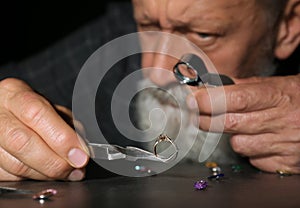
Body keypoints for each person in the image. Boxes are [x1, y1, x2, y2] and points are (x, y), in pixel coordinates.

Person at [0, 0, 299, 181]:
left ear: (288, 26)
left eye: (202, 35)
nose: (156, 70)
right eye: (147, 25)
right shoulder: (111, 47)